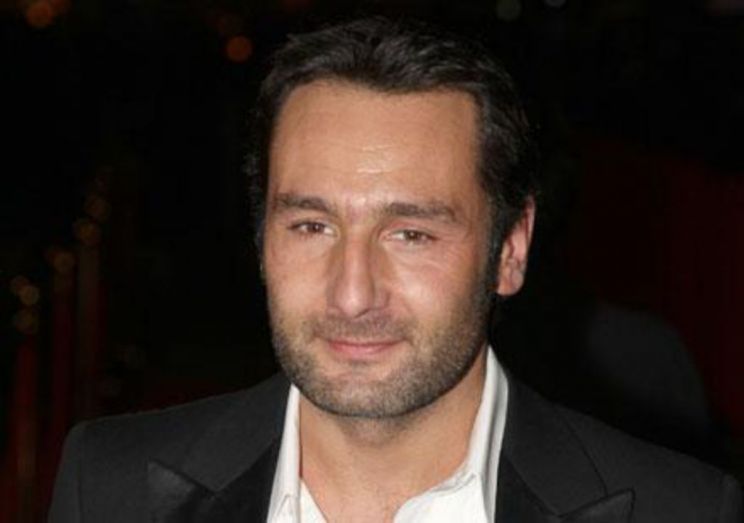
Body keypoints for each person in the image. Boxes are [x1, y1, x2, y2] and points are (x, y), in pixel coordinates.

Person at [49, 16, 742, 523]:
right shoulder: (107, 488)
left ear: (510, 249)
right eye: (312, 226)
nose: (353, 293)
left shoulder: (680, 510)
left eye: (411, 234)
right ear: (261, 237)